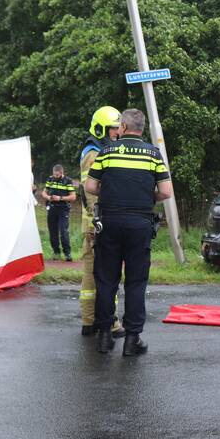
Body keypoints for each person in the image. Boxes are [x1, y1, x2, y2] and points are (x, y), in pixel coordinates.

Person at [85, 108, 173, 357]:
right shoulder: (153, 154)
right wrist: (145, 196)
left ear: (123, 127)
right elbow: (166, 192)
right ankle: (132, 340)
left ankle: (104, 338)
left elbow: (90, 186)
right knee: (135, 282)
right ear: (141, 129)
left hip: (110, 222)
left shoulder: (107, 151)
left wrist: (113, 192)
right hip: (140, 224)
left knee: (106, 280)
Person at [78, 106, 124, 338]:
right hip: (98, 225)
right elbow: (92, 192)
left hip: (94, 223)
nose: (117, 133)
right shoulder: (94, 154)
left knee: (93, 274)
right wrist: (99, 222)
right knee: (106, 275)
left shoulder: (96, 150)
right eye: (114, 129)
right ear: (101, 129)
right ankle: (110, 322)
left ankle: (90, 321)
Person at [42, 164, 76, 261]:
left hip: (63, 209)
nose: (55, 177)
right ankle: (56, 253)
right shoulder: (50, 179)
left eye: (57, 175)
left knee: (63, 232)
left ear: (62, 173)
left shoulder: (67, 181)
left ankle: (67, 254)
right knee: (52, 231)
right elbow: (44, 192)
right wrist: (48, 197)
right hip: (52, 208)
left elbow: (73, 197)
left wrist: (60, 198)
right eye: (54, 175)